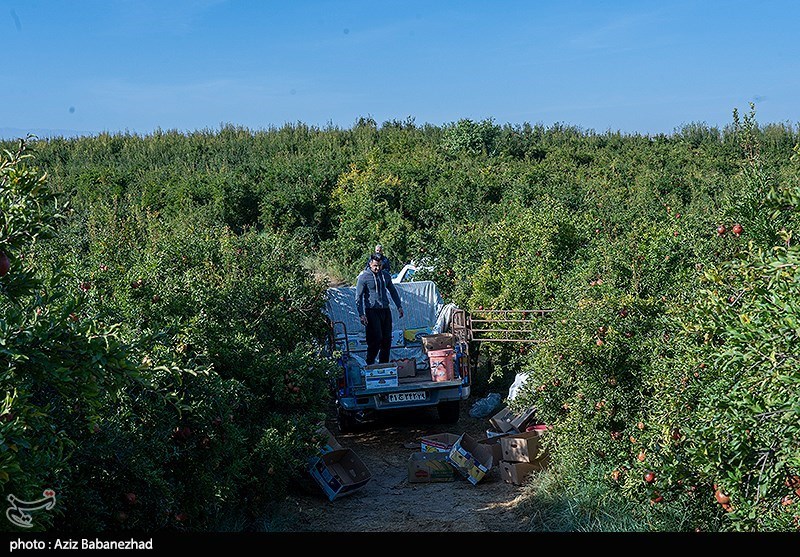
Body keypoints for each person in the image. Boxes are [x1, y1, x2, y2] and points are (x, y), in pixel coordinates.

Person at [356, 253, 404, 365]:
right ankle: (370, 363)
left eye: (379, 265)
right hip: (372, 311)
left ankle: (384, 365)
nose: (377, 268)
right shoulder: (364, 277)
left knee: (387, 340)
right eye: (375, 266)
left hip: (385, 310)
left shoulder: (385, 275)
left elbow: (392, 291)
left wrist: (399, 306)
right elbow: (358, 296)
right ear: (370, 264)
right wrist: (361, 314)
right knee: (376, 338)